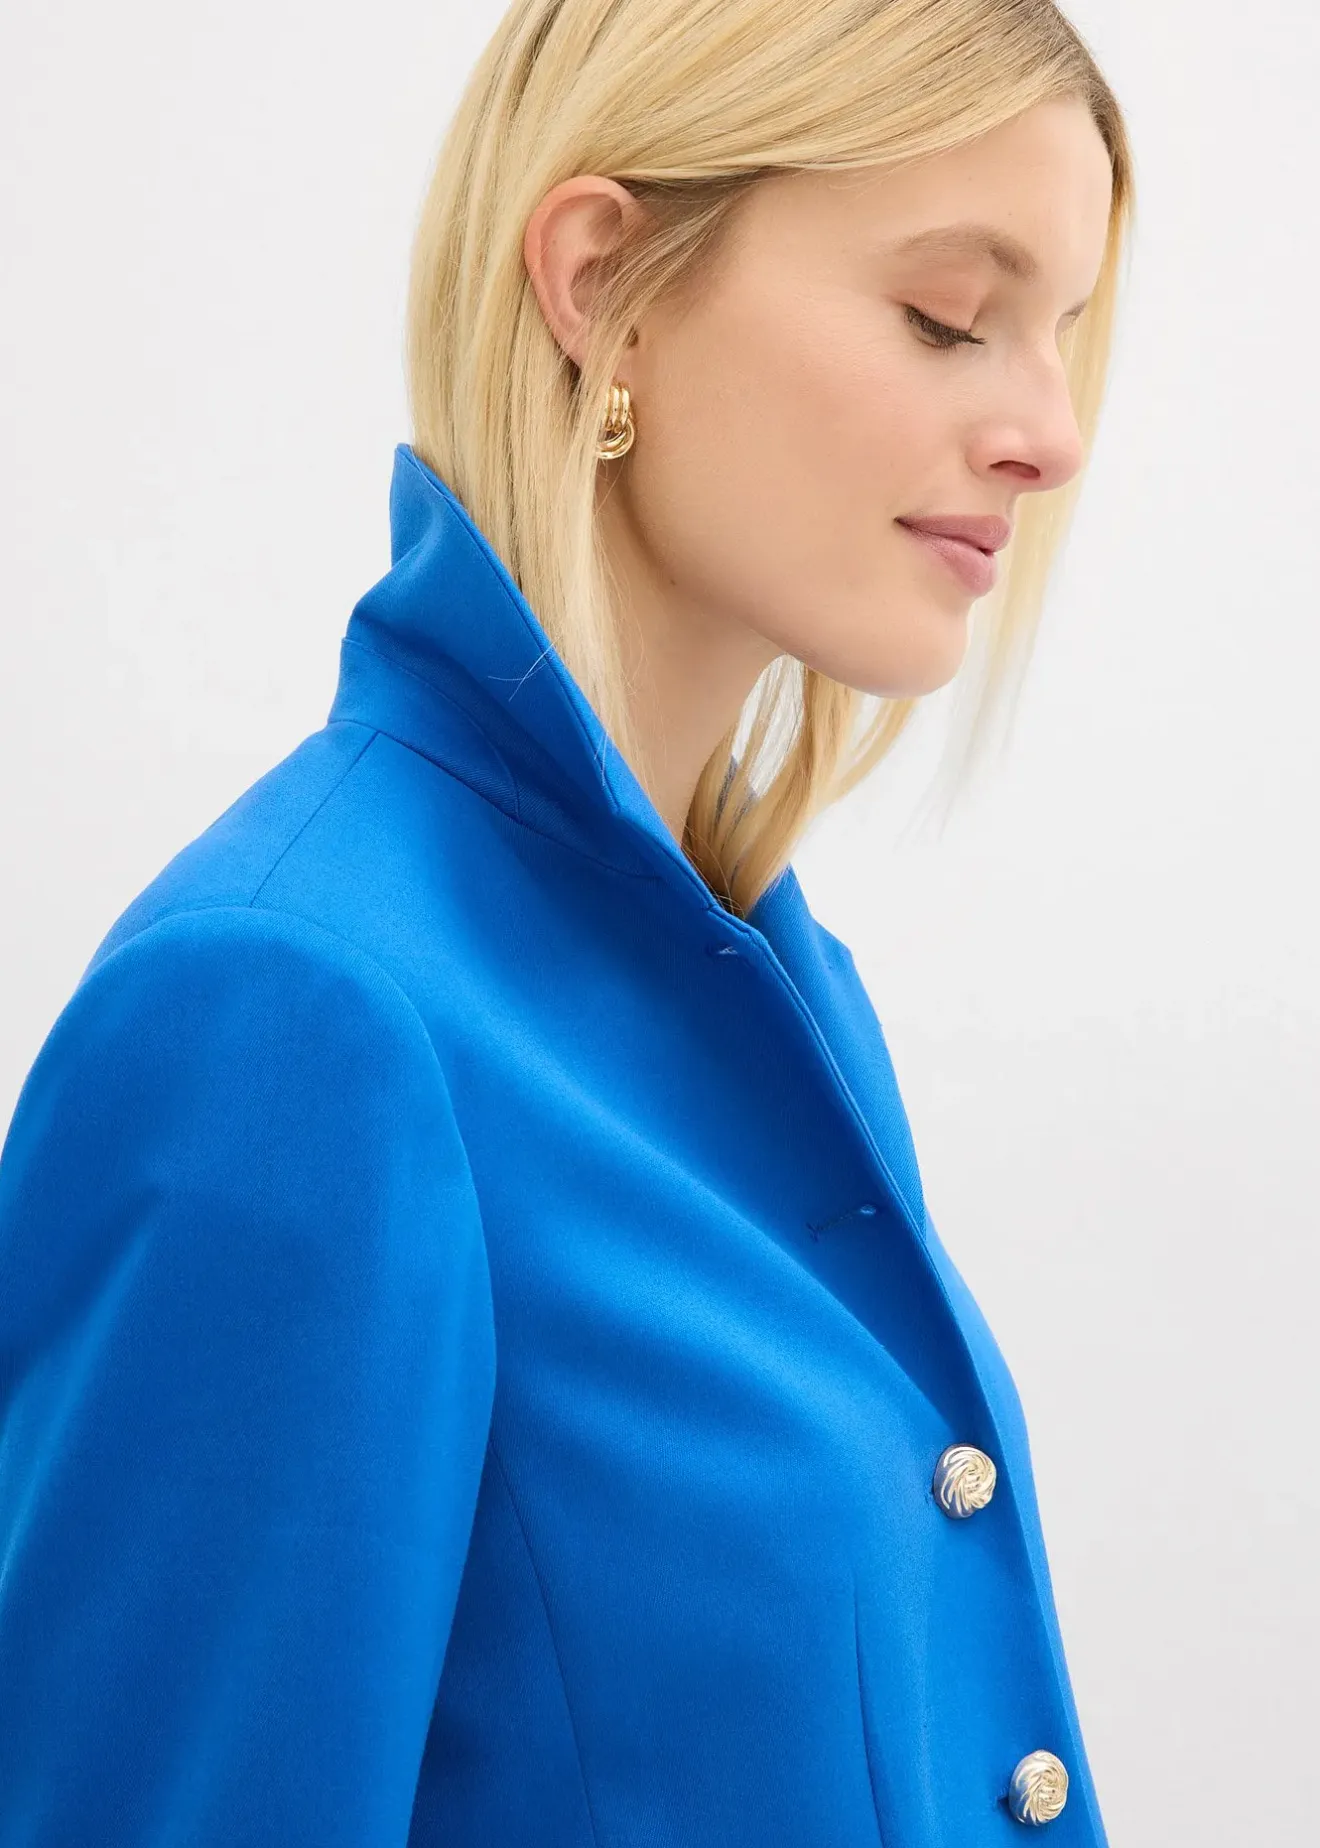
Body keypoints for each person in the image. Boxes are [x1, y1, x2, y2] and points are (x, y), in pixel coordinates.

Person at [0, 0, 1134, 1843]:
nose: (1051, 434)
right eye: (948, 315)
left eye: (1065, 332)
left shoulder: (778, 991)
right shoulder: (292, 1016)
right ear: (604, 284)